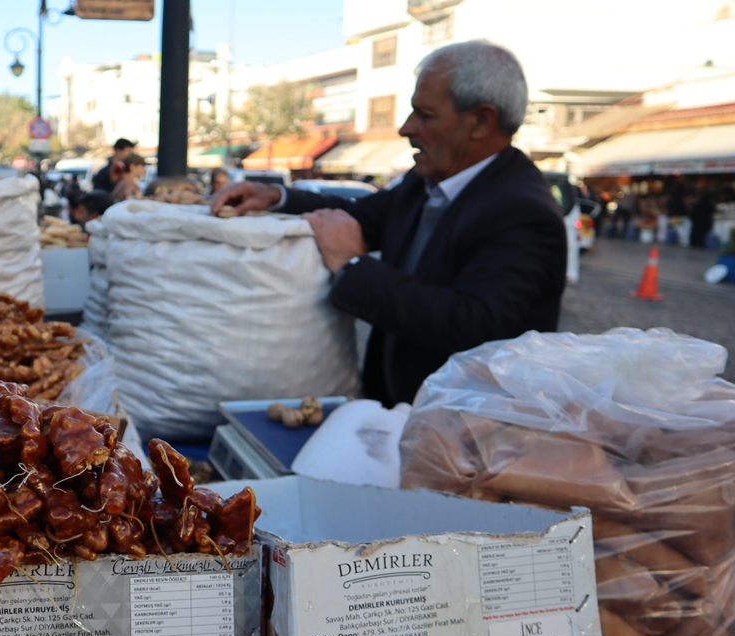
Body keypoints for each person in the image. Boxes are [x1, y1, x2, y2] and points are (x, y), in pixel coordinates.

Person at [212, 39, 566, 407]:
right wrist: (277, 197)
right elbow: (362, 215)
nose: (405, 129)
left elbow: (474, 325)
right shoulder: (426, 181)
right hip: (391, 413)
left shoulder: (522, 211)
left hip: (459, 429)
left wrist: (353, 267)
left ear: (480, 121)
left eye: (424, 115)